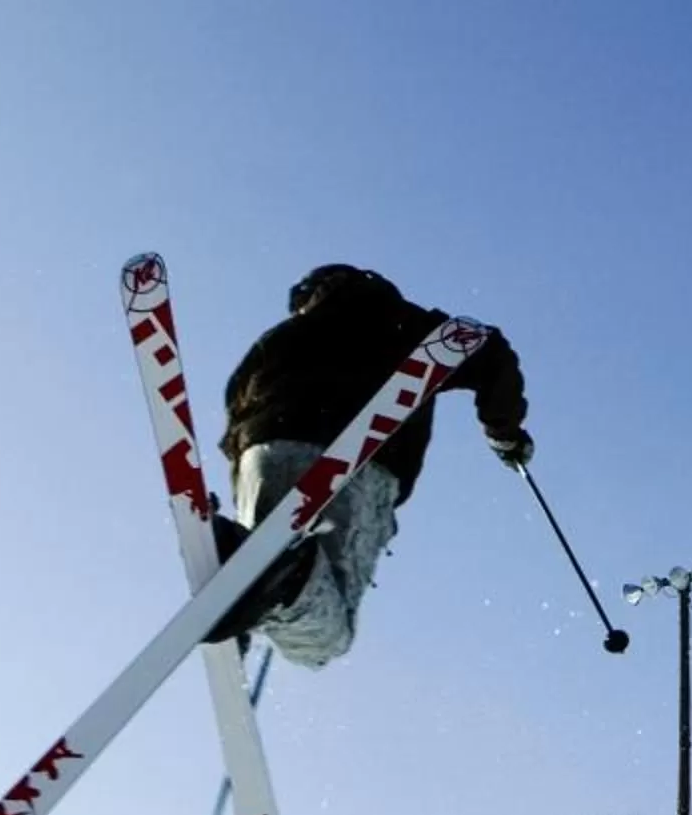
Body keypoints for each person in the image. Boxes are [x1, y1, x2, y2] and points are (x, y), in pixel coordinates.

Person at [207, 263, 533, 666]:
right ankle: (275, 588)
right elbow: (486, 350)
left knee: (265, 556)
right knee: (326, 640)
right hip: (360, 462)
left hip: (264, 451)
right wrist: (504, 431)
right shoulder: (397, 321)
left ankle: (248, 594)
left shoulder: (280, 335)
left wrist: (243, 469)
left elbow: (235, 408)